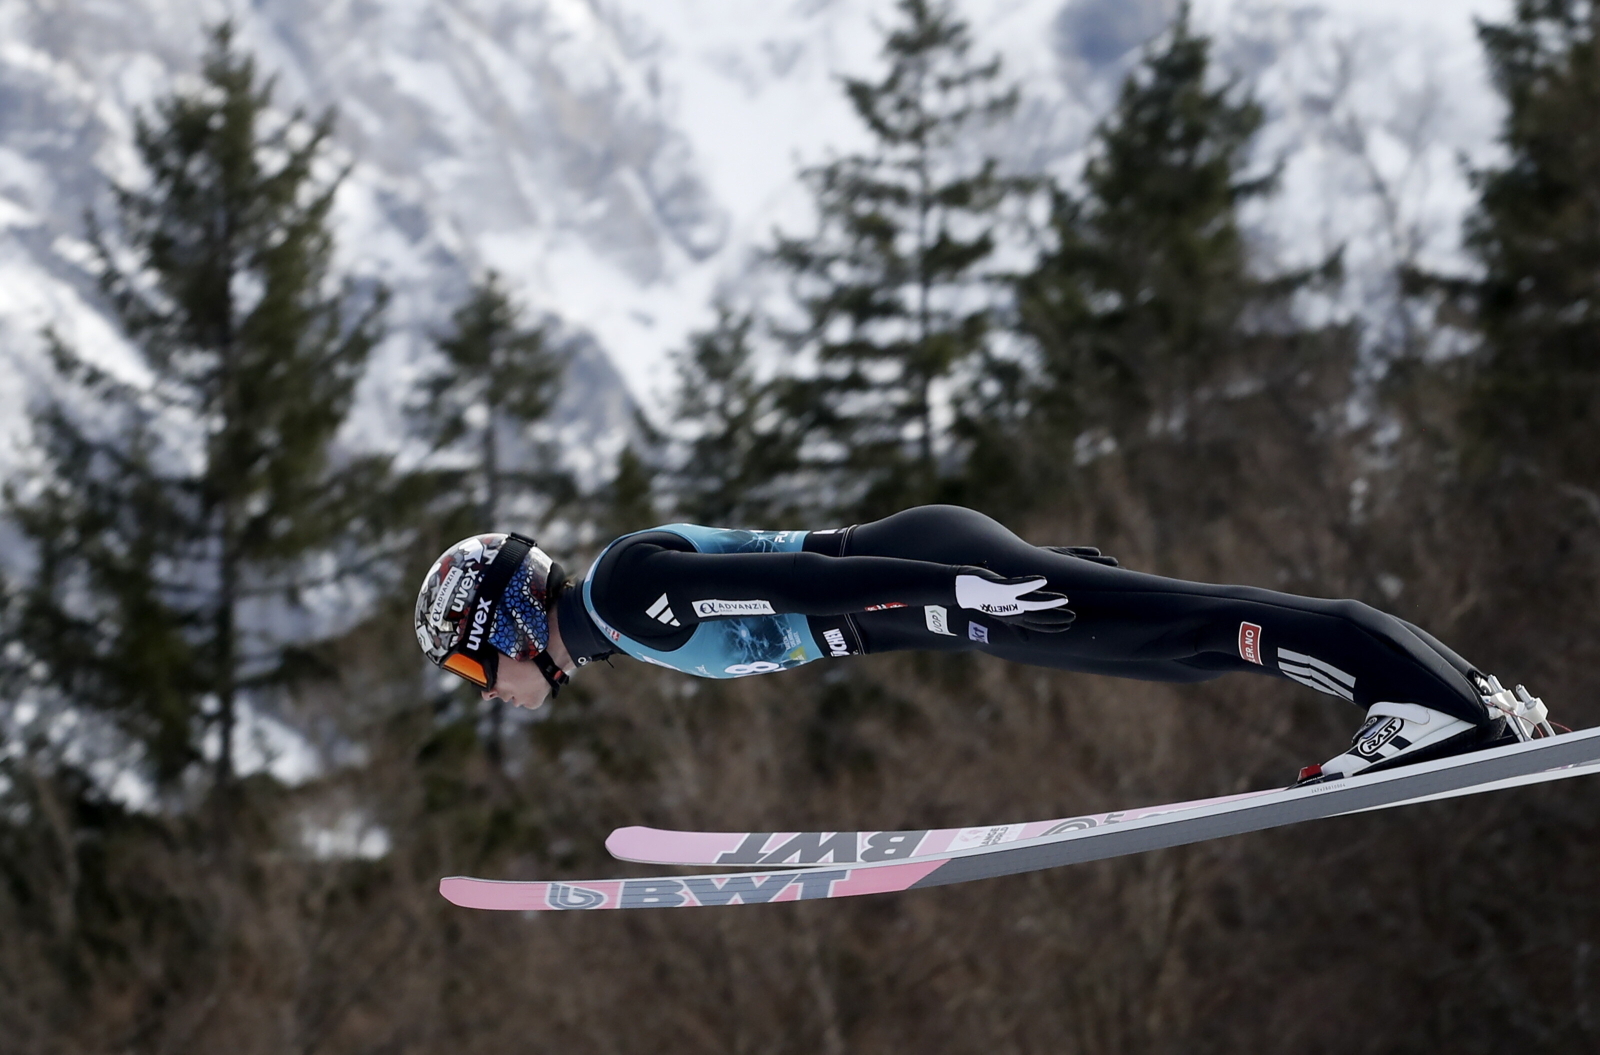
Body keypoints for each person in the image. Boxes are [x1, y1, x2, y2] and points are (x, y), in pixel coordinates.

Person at [413, 504, 1552, 784]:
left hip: (929, 576)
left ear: (505, 620)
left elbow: (808, 580)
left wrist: (961, 587)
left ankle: (1427, 708)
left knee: (1202, 622)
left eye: (472, 665)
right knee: (1183, 645)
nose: (487, 690)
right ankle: (1467, 703)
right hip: (936, 594)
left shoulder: (628, 597)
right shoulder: (625, 619)